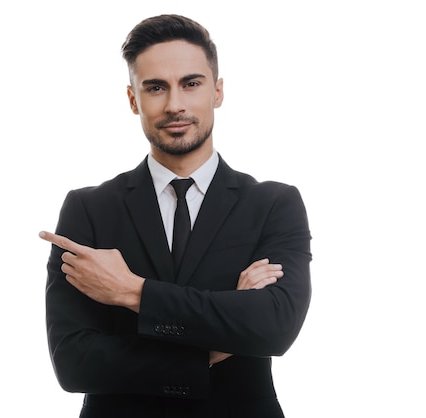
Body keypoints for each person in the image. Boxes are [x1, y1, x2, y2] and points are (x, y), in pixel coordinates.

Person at [40, 14, 311, 418]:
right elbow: (73, 361)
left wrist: (132, 292)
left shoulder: (274, 203)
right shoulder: (89, 208)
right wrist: (216, 342)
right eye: (155, 88)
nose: (175, 105)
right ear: (133, 100)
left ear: (217, 91)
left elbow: (274, 328)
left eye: (191, 83)